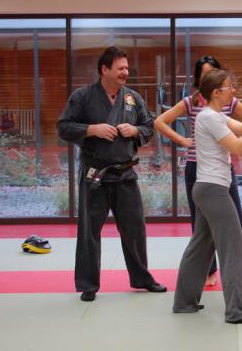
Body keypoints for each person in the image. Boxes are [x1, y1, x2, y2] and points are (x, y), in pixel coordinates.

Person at [57, 46, 167, 302]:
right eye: (121, 68)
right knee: (89, 231)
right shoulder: (83, 96)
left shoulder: (132, 98)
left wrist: (135, 131)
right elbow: (63, 127)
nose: (125, 73)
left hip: (125, 175)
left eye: (127, 68)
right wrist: (92, 129)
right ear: (104, 69)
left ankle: (141, 278)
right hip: (95, 174)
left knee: (135, 229)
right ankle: (88, 284)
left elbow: (149, 125)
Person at [154, 56, 242, 288]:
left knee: (235, 220)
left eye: (214, 73)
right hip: (198, 169)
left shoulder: (226, 103)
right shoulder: (195, 105)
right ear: (205, 84)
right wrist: (183, 140)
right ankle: (208, 271)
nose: (211, 78)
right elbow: (160, 121)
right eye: (206, 75)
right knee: (202, 227)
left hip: (221, 169)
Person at [172, 69, 242, 324]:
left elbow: (241, 127)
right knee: (234, 249)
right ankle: (236, 311)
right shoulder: (209, 118)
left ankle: (184, 302)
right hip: (214, 190)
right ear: (216, 92)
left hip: (207, 188)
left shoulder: (214, 115)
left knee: (201, 247)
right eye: (228, 87)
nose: (232, 91)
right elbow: (238, 145)